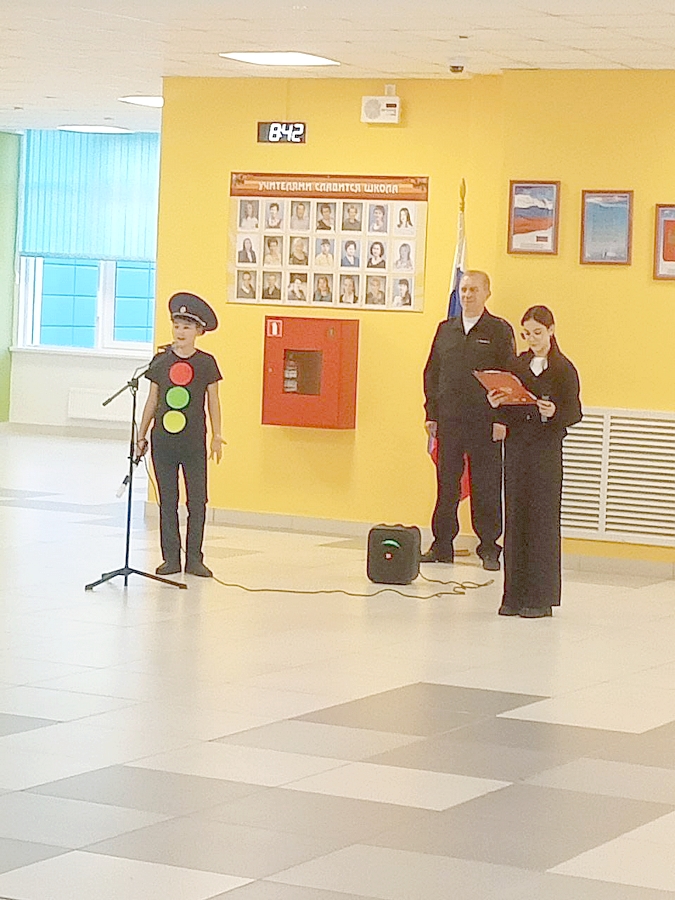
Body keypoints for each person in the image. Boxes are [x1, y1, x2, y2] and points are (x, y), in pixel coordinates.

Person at [487, 306, 581, 618]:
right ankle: (513, 595)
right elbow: (508, 406)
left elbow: (574, 412)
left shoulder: (563, 369)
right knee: (515, 518)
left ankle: (540, 598)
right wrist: (496, 403)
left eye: (538, 333)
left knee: (542, 521)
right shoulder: (517, 364)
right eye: (527, 334)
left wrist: (554, 413)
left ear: (551, 330)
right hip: (517, 450)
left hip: (545, 453)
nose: (532, 340)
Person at [423, 270, 515, 569]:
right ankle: (442, 545)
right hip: (449, 420)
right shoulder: (445, 329)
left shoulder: (499, 330)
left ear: (487, 293)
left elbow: (508, 376)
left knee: (486, 485)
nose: (467, 295)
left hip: (485, 421)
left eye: (474, 289)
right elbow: (432, 373)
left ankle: (489, 547)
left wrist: (502, 419)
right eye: (463, 290)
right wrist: (431, 414)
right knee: (446, 485)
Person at [136, 292, 223, 578]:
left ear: (198, 331)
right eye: (176, 326)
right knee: (168, 500)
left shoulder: (207, 363)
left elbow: (213, 401)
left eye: (186, 327)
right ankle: (170, 558)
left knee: (197, 501)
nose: (180, 332)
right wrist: (141, 434)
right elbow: (152, 399)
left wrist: (217, 435)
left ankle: (195, 558)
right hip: (163, 441)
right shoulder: (160, 361)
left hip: (193, 441)